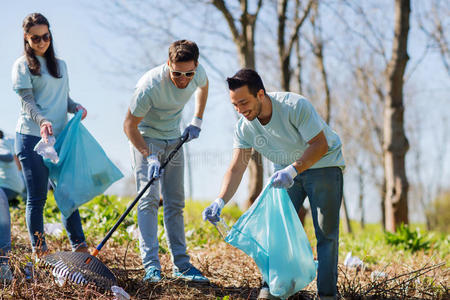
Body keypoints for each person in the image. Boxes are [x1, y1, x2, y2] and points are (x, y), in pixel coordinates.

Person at [202, 69, 345, 300]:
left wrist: (293, 169)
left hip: (324, 165)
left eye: (244, 102)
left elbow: (320, 145)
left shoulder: (294, 106)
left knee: (325, 232)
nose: (240, 110)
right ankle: (275, 289)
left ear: (260, 94)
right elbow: (237, 166)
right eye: (235, 105)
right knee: (276, 231)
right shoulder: (245, 126)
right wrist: (220, 199)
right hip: (286, 171)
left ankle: (327, 295)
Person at [124, 40, 209, 283]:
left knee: (175, 202)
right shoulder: (149, 86)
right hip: (146, 138)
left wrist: (197, 120)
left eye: (189, 73)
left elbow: (204, 86)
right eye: (177, 73)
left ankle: (181, 266)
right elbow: (129, 125)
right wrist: (148, 155)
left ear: (196, 67)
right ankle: (151, 267)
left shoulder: (197, 73)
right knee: (148, 200)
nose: (183, 79)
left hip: (174, 139)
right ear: (168, 64)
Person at [11, 13, 89, 256]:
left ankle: (80, 246)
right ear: (26, 38)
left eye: (46, 36)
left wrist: (75, 107)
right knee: (37, 197)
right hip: (32, 137)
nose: (42, 42)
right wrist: (42, 120)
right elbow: (28, 101)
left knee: (66, 192)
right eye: (36, 38)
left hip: (60, 138)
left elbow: (62, 99)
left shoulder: (61, 66)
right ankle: (40, 250)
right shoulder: (22, 65)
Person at [0, 130, 25, 282]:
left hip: (8, 188)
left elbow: (9, 157)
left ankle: (3, 263)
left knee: (1, 198)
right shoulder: (8, 141)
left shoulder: (2, 143)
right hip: (14, 187)